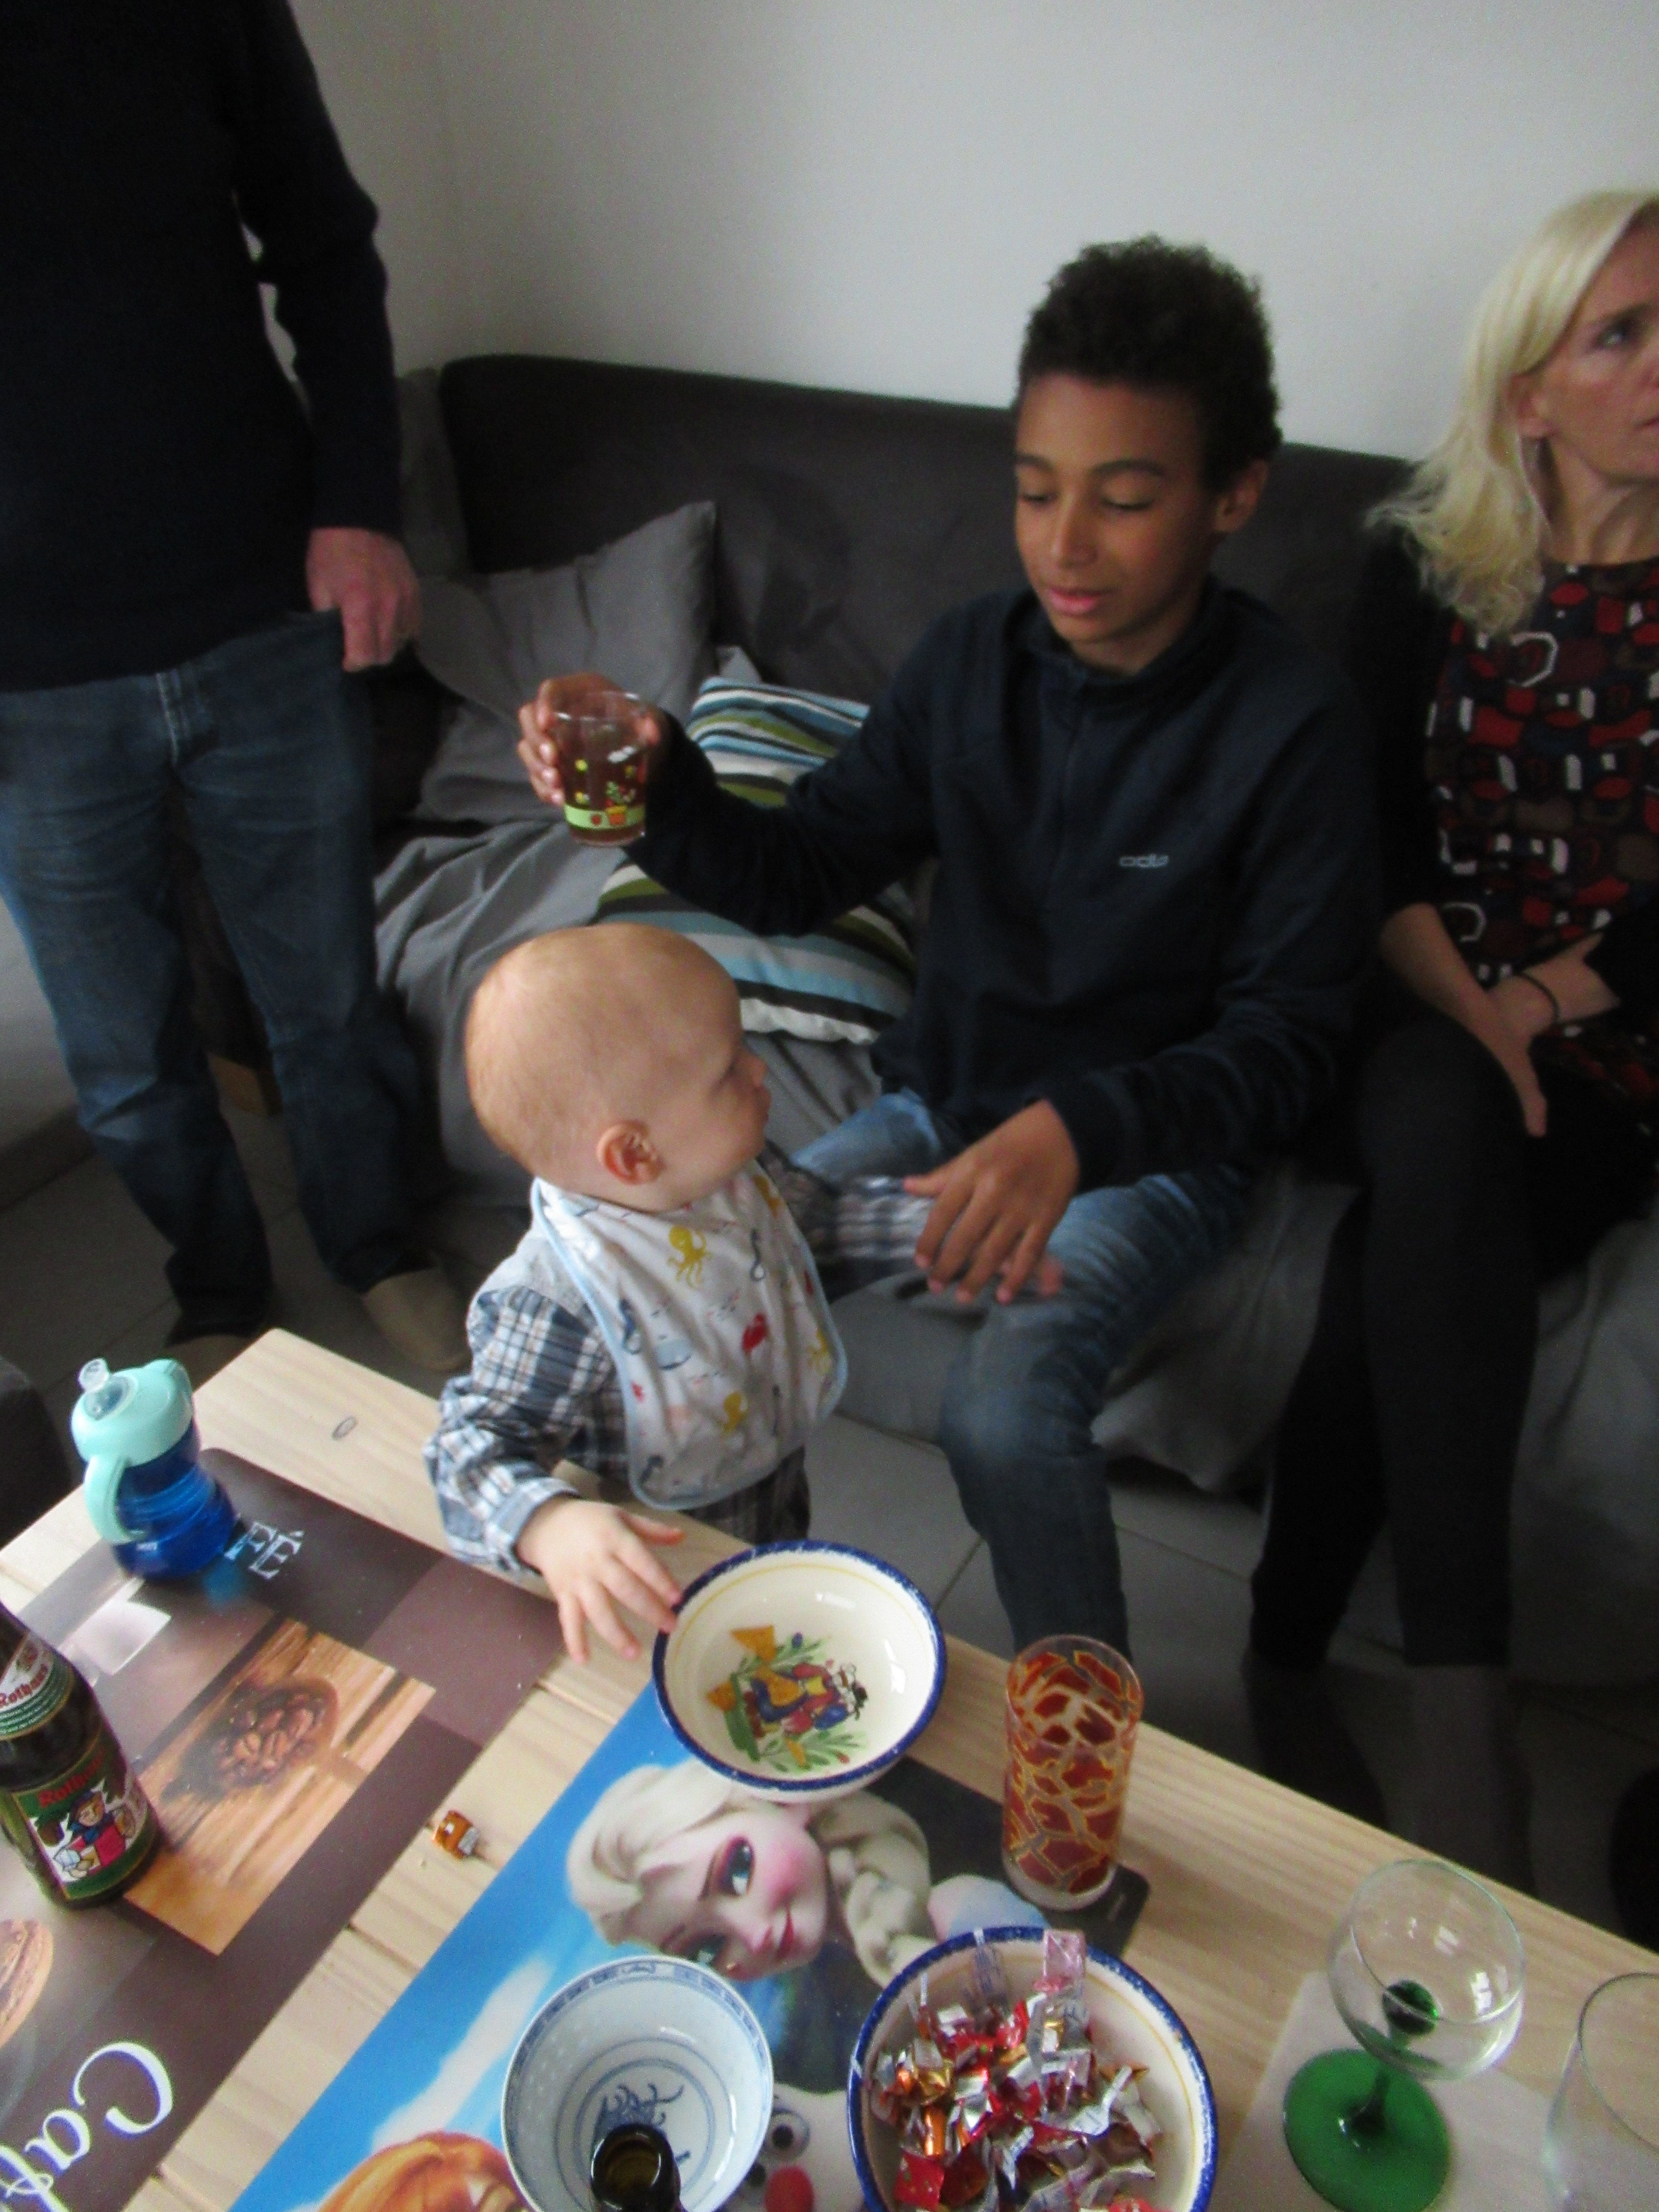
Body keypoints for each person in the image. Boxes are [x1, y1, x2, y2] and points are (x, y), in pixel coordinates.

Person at [518, 241, 1377, 1656]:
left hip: (1155, 1151)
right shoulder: (970, 662)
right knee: (680, 1271)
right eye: (1036, 490)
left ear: (1233, 494)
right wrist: (658, 780)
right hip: (942, 1101)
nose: (1065, 545)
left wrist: (1078, 1129)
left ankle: (1081, 1740)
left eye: (1124, 499)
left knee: (1003, 1412)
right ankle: (655, 1615)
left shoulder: (1293, 727)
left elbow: (1287, 1046)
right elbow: (796, 871)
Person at [1248, 190, 1659, 1889]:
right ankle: (1465, 1735)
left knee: (1405, 1239)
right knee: (1429, 1109)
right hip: (1413, 994)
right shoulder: (1423, 559)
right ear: (1527, 391)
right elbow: (1368, 829)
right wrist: (1473, 1007)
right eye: (1620, 334)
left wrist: (1542, 1007)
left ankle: (1285, 1653)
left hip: (1606, 1046)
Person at [0, 1, 466, 1380]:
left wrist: (359, 506)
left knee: (326, 1002)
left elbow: (323, 240)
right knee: (123, 1062)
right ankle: (217, 1291)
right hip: (26, 680)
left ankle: (379, 1248)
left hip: (262, 601)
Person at [425, 924, 977, 1661]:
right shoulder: (560, 1302)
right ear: (634, 1153)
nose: (760, 1069)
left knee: (773, 1611)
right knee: (708, 1667)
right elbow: (465, 1452)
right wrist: (547, 1525)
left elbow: (805, 1227)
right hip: (657, 1569)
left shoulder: (727, 1174)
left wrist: (935, 1231)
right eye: (729, 1068)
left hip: (763, 1480)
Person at [567, 1758, 1040, 1987]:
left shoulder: (963, 1914)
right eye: (706, 1949)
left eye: (737, 1873)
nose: (754, 1936)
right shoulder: (842, 1974)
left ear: (778, 1801)